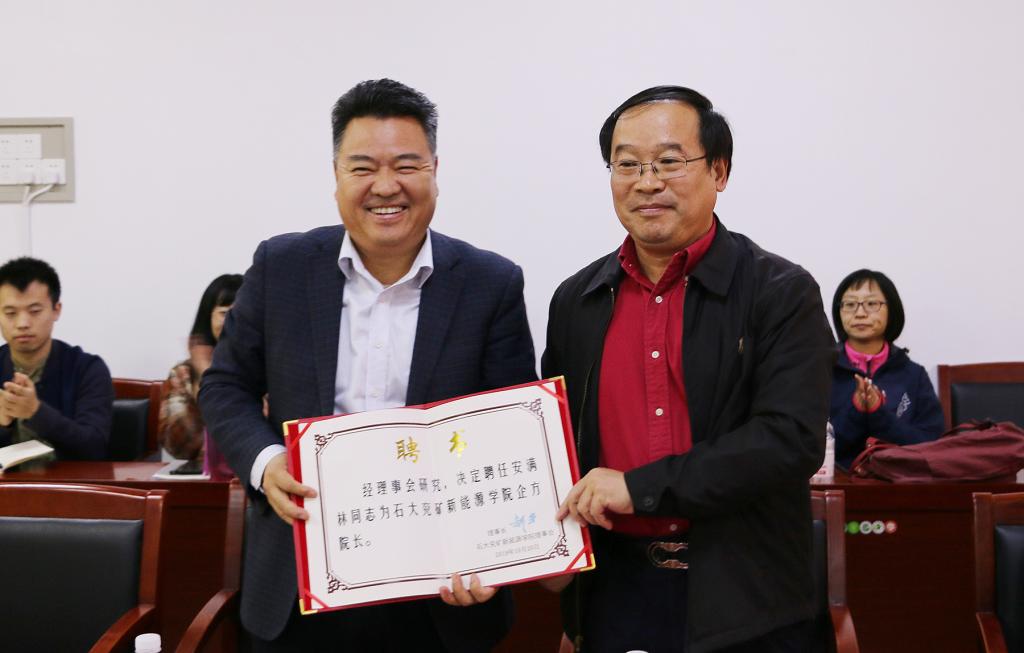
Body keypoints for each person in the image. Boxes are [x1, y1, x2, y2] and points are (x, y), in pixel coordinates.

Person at [198, 79, 537, 652]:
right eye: (363, 168)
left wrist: (492, 550)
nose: (385, 186)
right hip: (299, 580)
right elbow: (225, 386)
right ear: (336, 175)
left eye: (406, 165)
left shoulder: (490, 283)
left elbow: (508, 426)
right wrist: (266, 461)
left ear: (434, 169)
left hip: (440, 593)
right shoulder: (281, 266)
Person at [541, 86, 834, 653]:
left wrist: (639, 488)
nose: (646, 182)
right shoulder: (577, 300)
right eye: (627, 164)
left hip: (747, 597)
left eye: (669, 161)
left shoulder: (779, 291)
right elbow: (556, 446)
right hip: (615, 593)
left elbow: (790, 440)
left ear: (719, 171)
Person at [0, 257, 113, 461]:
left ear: (56, 310)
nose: (22, 323)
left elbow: (95, 447)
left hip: (68, 482)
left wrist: (36, 412)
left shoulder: (87, 369)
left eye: (35, 311)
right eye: (10, 313)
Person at [830, 269, 944, 469]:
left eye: (871, 303)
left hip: (899, 482)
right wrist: (857, 411)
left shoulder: (914, 375)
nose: (860, 313)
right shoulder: (821, 370)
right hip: (836, 482)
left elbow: (932, 446)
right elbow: (809, 445)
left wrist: (878, 413)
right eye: (850, 304)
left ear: (892, 310)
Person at [157, 273, 243, 478]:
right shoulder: (184, 374)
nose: (233, 321)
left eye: (241, 313)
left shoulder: (272, 369)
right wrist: (208, 379)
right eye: (224, 313)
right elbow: (178, 446)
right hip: (202, 482)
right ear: (208, 317)